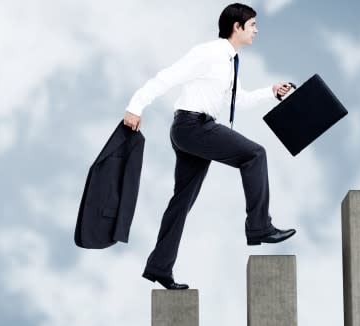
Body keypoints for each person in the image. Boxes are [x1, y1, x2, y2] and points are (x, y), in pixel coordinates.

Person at [124, 3, 296, 289]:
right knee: (255, 154)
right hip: (193, 127)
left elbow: (237, 100)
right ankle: (259, 226)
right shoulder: (208, 53)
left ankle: (159, 267)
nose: (257, 30)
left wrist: (271, 92)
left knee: (182, 201)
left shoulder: (231, 61)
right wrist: (136, 105)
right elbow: (168, 76)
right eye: (252, 24)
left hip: (193, 130)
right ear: (236, 26)